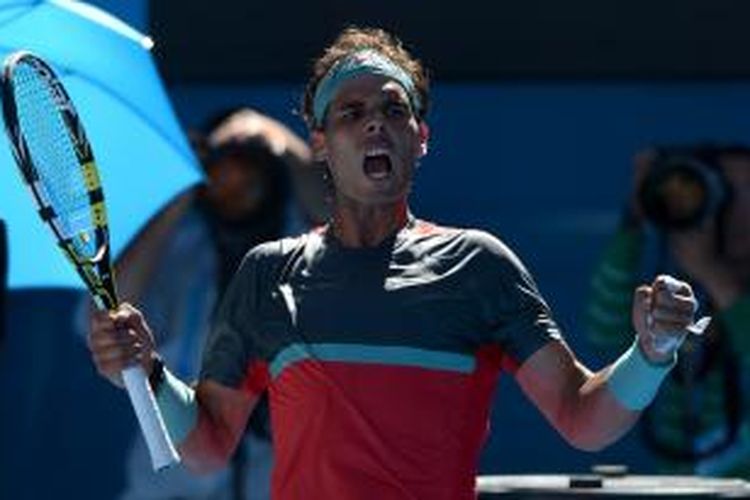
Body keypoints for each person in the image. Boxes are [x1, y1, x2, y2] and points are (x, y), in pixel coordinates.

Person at [88, 27, 700, 500]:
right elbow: (207, 448)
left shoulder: (480, 266)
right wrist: (153, 373)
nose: (375, 121)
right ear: (321, 143)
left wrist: (651, 353)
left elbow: (584, 419)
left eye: (393, 109)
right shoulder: (266, 275)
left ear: (420, 137)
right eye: (351, 113)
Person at [111, 107, 311, 500]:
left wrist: (282, 142)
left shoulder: (311, 247)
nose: (233, 185)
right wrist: (179, 187)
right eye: (220, 172)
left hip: (274, 479)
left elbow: (346, 213)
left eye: (248, 171)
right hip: (170, 485)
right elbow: (105, 314)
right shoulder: (178, 250)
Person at [585, 145, 750, 477]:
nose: (738, 210)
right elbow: (604, 331)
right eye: (727, 193)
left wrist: (713, 273)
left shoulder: (714, 286)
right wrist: (635, 218)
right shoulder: (680, 295)